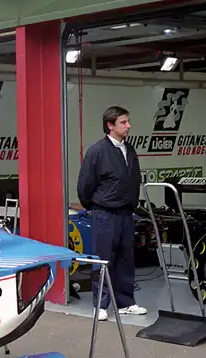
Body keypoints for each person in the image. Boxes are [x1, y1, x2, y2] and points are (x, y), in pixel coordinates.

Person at [76, 105, 147, 321]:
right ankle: (100, 304)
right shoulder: (96, 152)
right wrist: (97, 206)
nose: (128, 126)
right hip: (104, 214)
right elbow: (84, 186)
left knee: (126, 258)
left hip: (126, 214)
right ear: (110, 125)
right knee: (103, 259)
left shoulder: (130, 150)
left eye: (128, 122)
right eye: (123, 122)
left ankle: (126, 302)